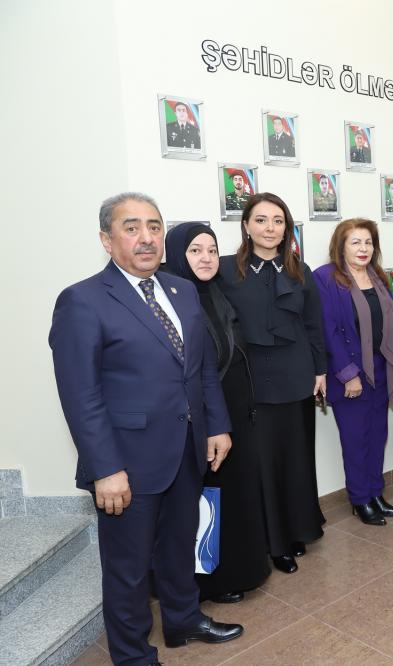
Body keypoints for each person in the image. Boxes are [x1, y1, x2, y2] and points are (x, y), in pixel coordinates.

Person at [50, 193, 243, 666]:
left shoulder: (181, 290)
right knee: (128, 569)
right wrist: (105, 469)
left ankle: (183, 619)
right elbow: (80, 396)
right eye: (131, 227)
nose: (146, 237)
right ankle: (133, 655)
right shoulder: (83, 300)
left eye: (154, 227)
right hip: (127, 463)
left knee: (179, 547)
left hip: (186, 449)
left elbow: (200, 368)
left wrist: (217, 425)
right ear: (106, 239)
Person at [161, 223, 271, 604]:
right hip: (203, 417)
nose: (206, 258)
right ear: (178, 255)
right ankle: (209, 582)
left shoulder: (218, 292)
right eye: (195, 251)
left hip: (236, 411)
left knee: (236, 494)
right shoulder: (171, 301)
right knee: (207, 500)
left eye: (211, 250)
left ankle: (241, 570)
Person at [217, 192, 327, 575]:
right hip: (252, 382)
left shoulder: (300, 270)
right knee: (262, 463)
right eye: (261, 220)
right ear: (246, 225)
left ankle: (298, 530)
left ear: (287, 229)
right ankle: (273, 542)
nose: (270, 228)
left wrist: (320, 371)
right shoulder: (225, 270)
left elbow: (313, 326)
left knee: (296, 460)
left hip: (296, 377)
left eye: (278, 221)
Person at [315, 219, 393, 526]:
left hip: (381, 369)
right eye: (355, 242)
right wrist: (348, 374)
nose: (363, 248)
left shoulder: (377, 276)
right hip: (350, 374)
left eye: (368, 242)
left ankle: (376, 493)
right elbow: (328, 330)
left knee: (378, 436)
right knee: (356, 440)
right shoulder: (326, 278)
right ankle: (360, 499)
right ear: (340, 247)